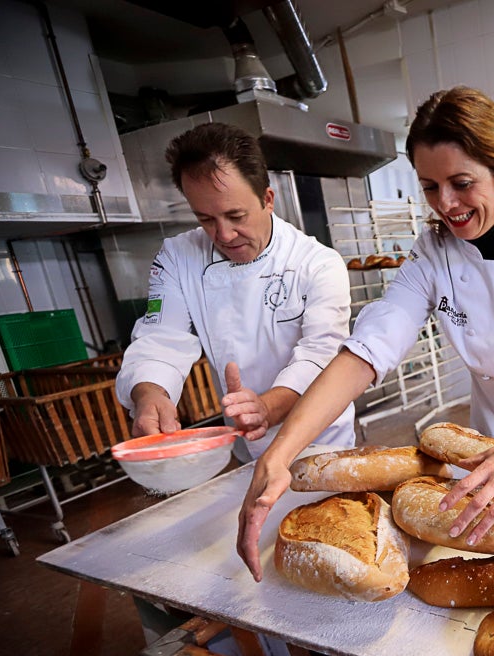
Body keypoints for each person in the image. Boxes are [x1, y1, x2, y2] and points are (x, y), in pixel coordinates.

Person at [236, 86, 494, 581]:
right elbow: (369, 347)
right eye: (430, 187)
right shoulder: (433, 251)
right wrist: (280, 454)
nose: (446, 205)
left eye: (460, 182)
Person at [115, 122, 356, 462]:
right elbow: (160, 338)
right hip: (246, 443)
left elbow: (321, 356)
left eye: (235, 215)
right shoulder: (177, 257)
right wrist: (150, 392)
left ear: (267, 199)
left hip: (321, 443)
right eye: (206, 219)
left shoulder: (317, 263)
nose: (224, 234)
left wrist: (267, 407)